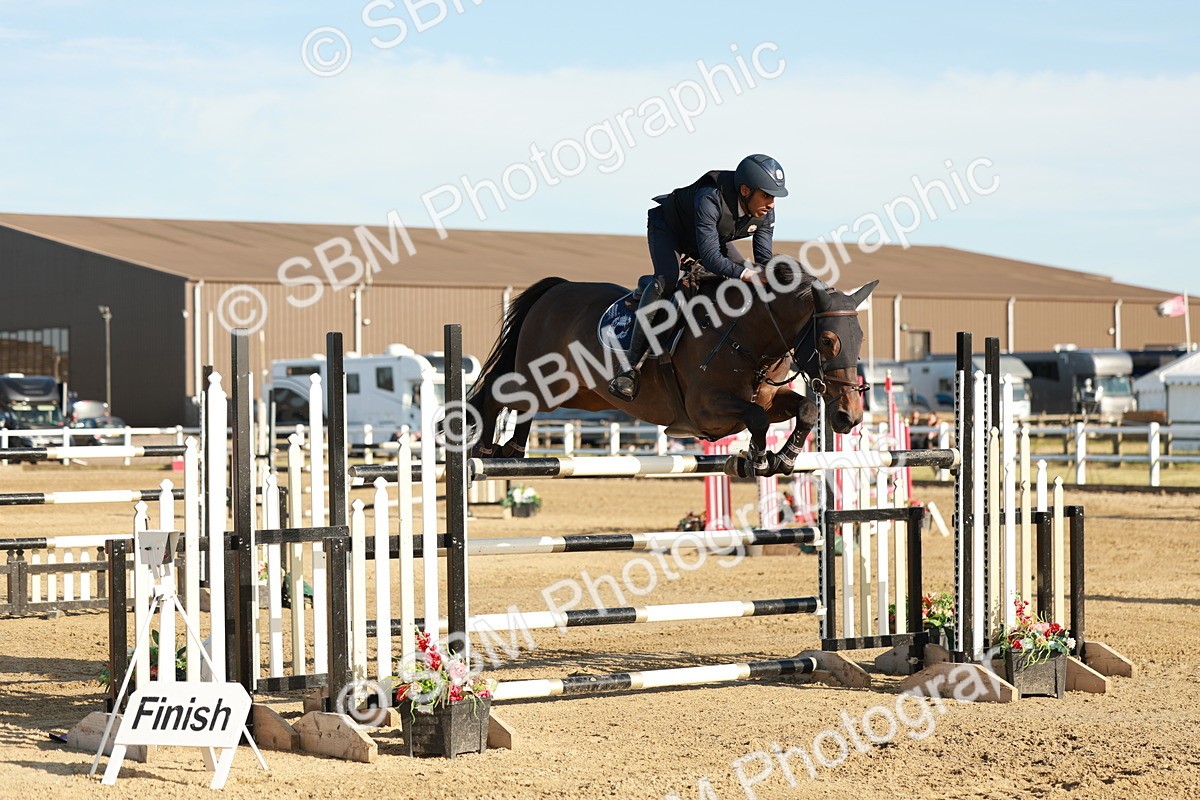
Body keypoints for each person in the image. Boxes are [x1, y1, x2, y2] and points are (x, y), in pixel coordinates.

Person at [608, 154, 789, 401]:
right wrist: (747, 274)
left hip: (712, 239)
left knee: (744, 278)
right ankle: (628, 369)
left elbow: (763, 261)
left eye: (774, 197)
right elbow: (712, 259)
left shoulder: (766, 213)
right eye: (766, 195)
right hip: (670, 231)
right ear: (745, 190)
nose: (771, 204)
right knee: (667, 281)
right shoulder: (710, 197)